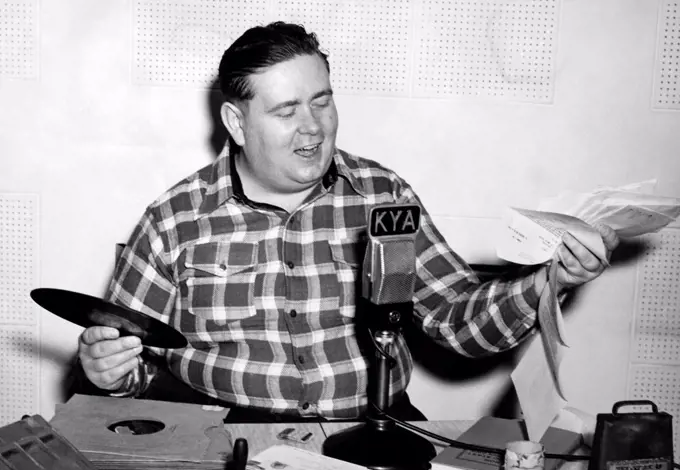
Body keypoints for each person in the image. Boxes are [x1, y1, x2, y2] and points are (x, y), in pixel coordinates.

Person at [76, 21, 619, 422]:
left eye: (323, 102)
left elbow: (458, 321)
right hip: (227, 434)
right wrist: (109, 370)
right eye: (286, 111)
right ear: (236, 122)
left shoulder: (384, 196)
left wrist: (552, 282)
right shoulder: (175, 218)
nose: (312, 128)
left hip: (374, 428)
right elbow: (133, 359)